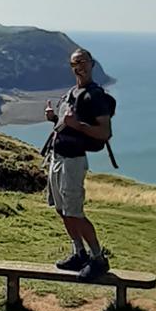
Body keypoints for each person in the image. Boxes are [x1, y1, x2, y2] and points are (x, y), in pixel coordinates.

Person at [43, 48, 112, 278]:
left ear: (92, 64)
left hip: (73, 161)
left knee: (75, 212)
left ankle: (98, 258)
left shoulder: (95, 96)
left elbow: (104, 132)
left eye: (82, 62)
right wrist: (54, 118)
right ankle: (79, 252)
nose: (78, 67)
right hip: (57, 157)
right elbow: (66, 122)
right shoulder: (71, 93)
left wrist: (78, 126)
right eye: (74, 64)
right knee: (63, 210)